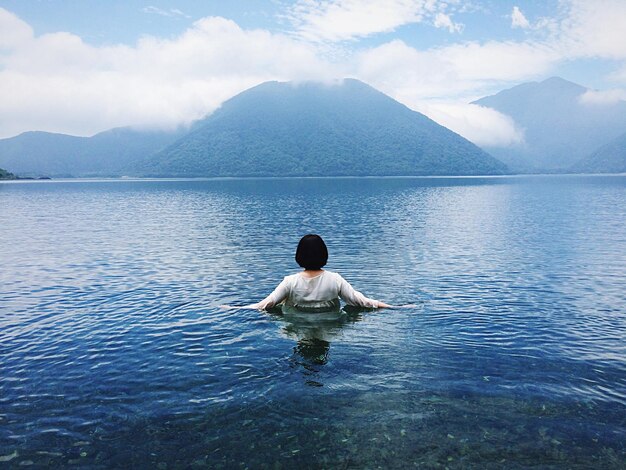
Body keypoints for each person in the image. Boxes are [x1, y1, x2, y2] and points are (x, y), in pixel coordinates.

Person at [248, 234, 391, 311]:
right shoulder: (335, 280)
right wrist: (393, 307)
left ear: (299, 256)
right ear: (324, 255)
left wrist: (232, 308)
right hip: (330, 327)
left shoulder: (290, 282)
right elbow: (360, 301)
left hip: (297, 326)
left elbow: (266, 304)